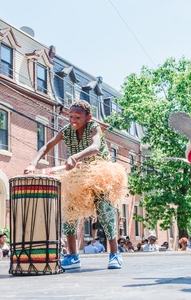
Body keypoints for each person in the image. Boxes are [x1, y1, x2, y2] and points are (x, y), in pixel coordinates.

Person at [24, 100, 128, 270]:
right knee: (69, 210)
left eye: (77, 117)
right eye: (71, 116)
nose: (73, 120)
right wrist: (33, 164)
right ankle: (73, 256)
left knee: (104, 208)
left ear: (88, 117)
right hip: (78, 174)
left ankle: (115, 254)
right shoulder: (66, 131)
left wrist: (75, 157)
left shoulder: (94, 127)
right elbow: (47, 146)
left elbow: (95, 146)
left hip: (100, 172)